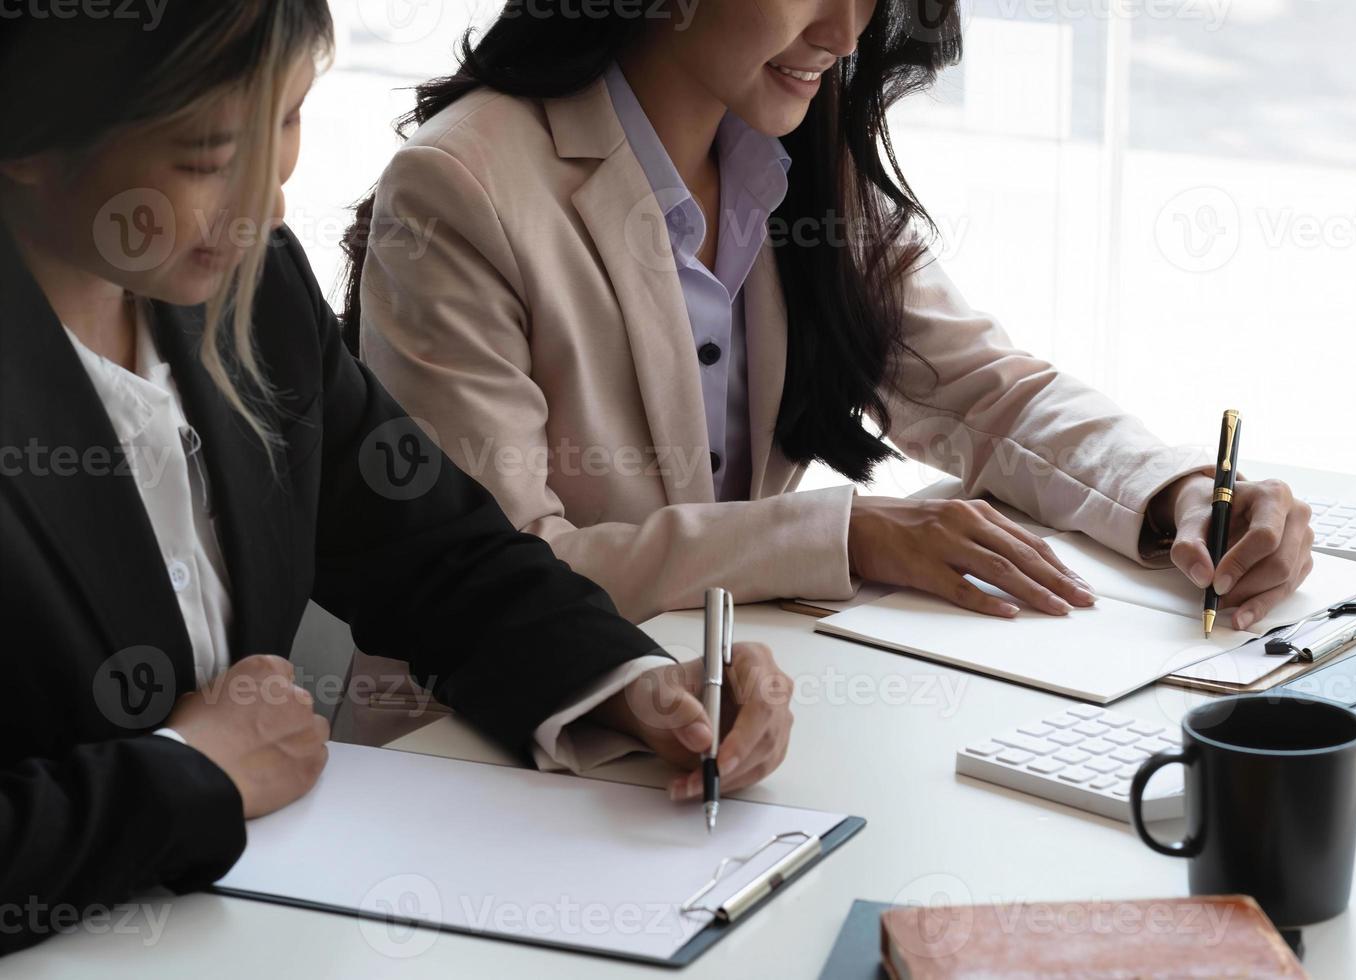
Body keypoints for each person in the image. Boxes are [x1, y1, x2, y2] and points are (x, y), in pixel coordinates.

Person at [0, 3, 792, 953]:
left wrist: (629, 683)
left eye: (288, 120)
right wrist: (185, 773)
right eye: (207, 158)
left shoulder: (251, 290)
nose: (267, 205)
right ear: (29, 137)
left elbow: (429, 548)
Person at [347, 0, 1316, 644]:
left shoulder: (791, 161)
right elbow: (497, 572)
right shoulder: (460, 190)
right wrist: (843, 534)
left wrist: (1178, 493)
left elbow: (985, 395)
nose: (847, 32)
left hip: (724, 723)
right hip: (489, 766)